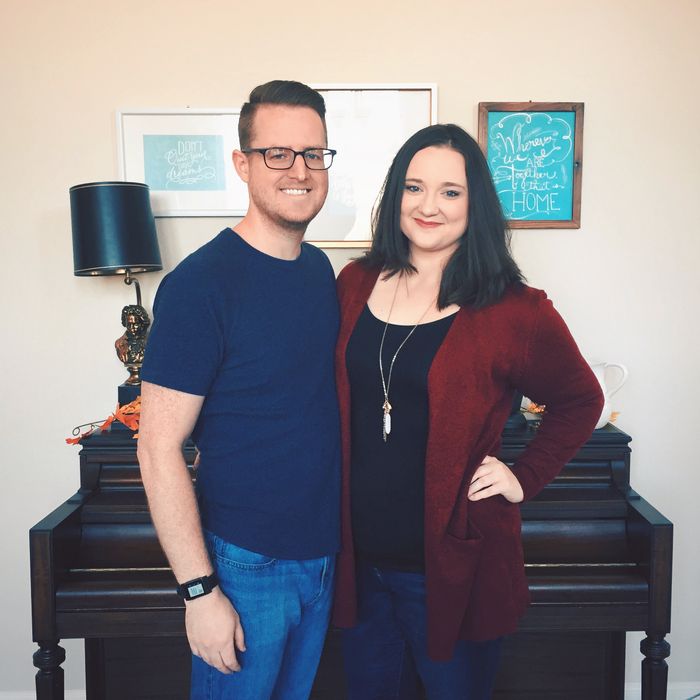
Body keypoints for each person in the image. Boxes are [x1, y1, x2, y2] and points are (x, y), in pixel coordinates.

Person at [332, 123, 604, 699]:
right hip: (357, 565)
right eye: (414, 187)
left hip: (453, 567)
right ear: (394, 197)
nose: (429, 206)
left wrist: (522, 475)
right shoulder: (353, 283)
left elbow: (581, 400)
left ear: (474, 203)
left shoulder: (515, 308)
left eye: (450, 192)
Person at [137, 80, 341, 700]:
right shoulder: (201, 284)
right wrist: (199, 593)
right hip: (245, 565)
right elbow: (157, 447)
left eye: (313, 154)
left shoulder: (319, 270)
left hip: (324, 557)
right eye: (278, 154)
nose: (298, 170)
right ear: (243, 164)